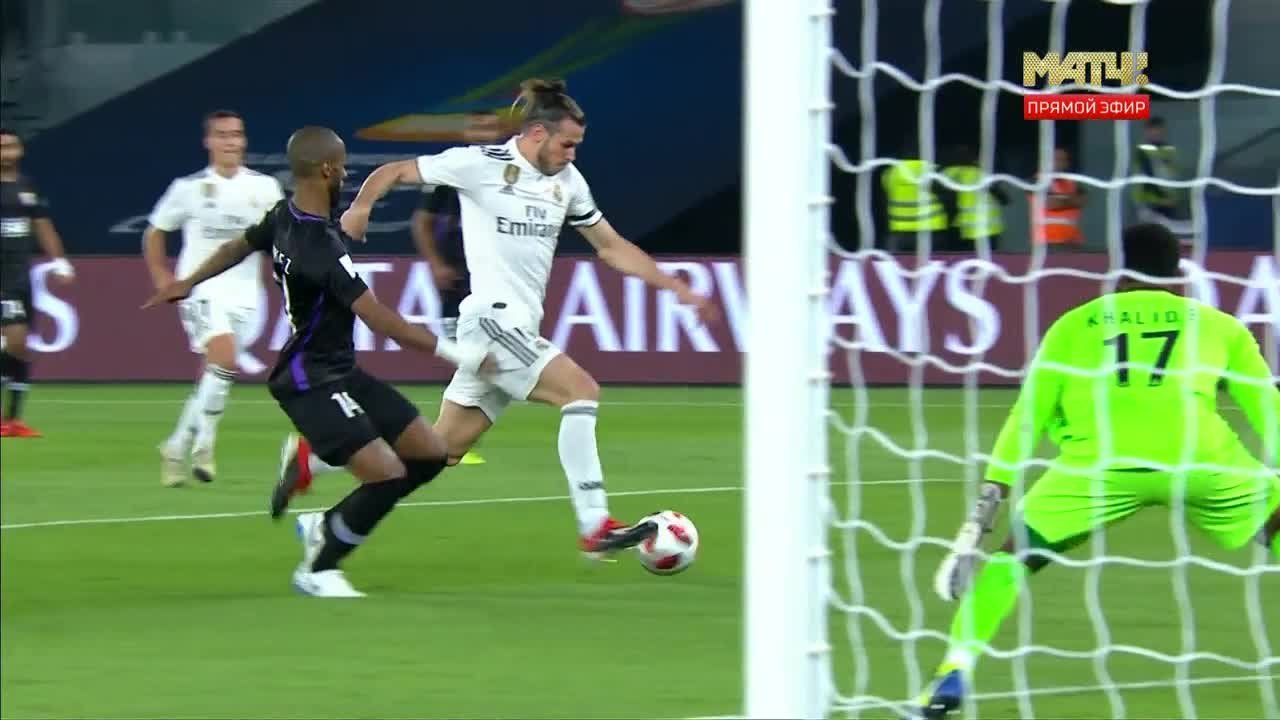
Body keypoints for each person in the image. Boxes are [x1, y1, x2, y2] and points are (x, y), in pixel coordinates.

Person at [336, 77, 718, 558]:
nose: (572, 154)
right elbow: (395, 171)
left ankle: (322, 468)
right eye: (567, 144)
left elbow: (611, 246)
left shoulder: (568, 182)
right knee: (580, 391)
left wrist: (676, 287)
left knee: (438, 451)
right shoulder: (479, 164)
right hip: (492, 321)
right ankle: (595, 526)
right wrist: (360, 208)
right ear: (537, 133)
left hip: (519, 326)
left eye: (576, 146)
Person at [916, 223, 1280, 718]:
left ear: (1120, 268)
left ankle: (953, 669)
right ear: (1178, 273)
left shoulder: (1074, 325)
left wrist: (991, 497)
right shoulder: (1221, 327)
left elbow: (1028, 417)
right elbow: (1268, 414)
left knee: (1013, 557)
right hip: (1200, 461)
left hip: (1098, 465)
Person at [144, 126, 488, 598]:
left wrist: (187, 280)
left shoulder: (285, 216)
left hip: (339, 368)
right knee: (387, 475)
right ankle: (319, 569)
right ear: (327, 170)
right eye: (342, 167)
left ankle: (324, 515)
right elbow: (379, 318)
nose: (345, 175)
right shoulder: (318, 244)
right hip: (310, 378)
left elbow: (237, 246)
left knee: (429, 455)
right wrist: (457, 353)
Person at [142, 110, 284, 486]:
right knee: (224, 358)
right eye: (222, 135)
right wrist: (163, 277)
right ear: (208, 141)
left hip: (247, 294)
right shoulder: (188, 188)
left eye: (236, 134)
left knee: (216, 374)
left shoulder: (265, 188)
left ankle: (175, 446)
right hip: (200, 288)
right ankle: (204, 444)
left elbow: (280, 237)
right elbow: (155, 231)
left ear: (244, 140)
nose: (230, 141)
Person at [0, 127, 74, 438]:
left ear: (20, 150)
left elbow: (43, 227)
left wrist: (60, 261)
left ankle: (12, 420)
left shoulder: (27, 187)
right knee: (16, 342)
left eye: (11, 146)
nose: (7, 152)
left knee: (21, 349)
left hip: (21, 276)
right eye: (1, 147)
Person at [1132, 116, 1194, 245]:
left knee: (1168, 238)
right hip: (1150, 201)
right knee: (1152, 238)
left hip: (1168, 201)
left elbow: (1173, 175)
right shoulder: (1143, 151)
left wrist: (1172, 197)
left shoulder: (1169, 150)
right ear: (1147, 131)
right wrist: (1163, 198)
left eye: (1159, 129)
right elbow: (1147, 177)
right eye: (1153, 130)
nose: (1157, 133)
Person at [940, 144, 1008, 252]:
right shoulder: (983, 175)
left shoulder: (946, 174)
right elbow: (1004, 199)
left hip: (959, 230)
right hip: (987, 230)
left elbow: (947, 201)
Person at [1028, 147, 1086, 251]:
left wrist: (1061, 201)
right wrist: (1070, 200)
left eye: (1063, 160)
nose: (1060, 163)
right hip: (1047, 241)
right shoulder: (1037, 181)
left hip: (1072, 240)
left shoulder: (1072, 181)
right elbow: (1051, 204)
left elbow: (1082, 200)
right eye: (1056, 159)